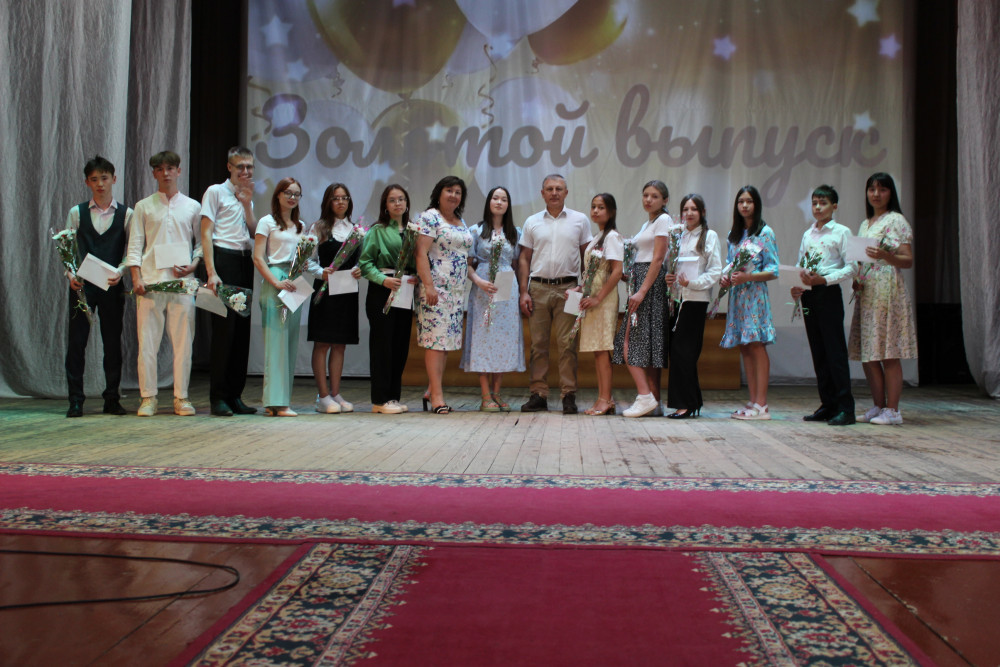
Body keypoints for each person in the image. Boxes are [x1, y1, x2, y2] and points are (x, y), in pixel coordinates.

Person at [126, 151, 202, 417]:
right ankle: (148, 397)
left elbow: (201, 244)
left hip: (182, 284)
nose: (166, 173)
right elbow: (135, 244)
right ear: (154, 173)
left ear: (179, 171)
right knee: (147, 343)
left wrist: (194, 264)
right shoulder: (143, 206)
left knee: (184, 343)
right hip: (150, 283)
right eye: (160, 169)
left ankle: (181, 397)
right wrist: (136, 277)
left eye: (170, 168)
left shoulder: (192, 206)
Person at [63, 156, 132, 418]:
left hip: (111, 286)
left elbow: (132, 250)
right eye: (94, 179)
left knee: (112, 343)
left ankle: (112, 398)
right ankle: (75, 400)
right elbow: (68, 249)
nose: (100, 184)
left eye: (104, 178)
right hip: (82, 286)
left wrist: (121, 271)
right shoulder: (76, 212)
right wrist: (70, 274)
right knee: (77, 343)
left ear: (114, 179)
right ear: (87, 182)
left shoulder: (126, 214)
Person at [518, 174, 592, 414]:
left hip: (569, 289)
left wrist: (584, 287)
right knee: (538, 345)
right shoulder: (532, 222)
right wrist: (523, 291)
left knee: (567, 344)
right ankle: (538, 394)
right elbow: (524, 258)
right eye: (549, 189)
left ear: (566, 192)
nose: (554, 193)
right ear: (542, 193)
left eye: (559, 188)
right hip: (537, 288)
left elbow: (587, 257)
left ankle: (568, 394)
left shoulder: (580, 220)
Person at [848, 172, 917, 425]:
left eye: (882, 189)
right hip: (868, 291)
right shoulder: (865, 223)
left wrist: (886, 256)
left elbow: (907, 260)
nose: (876, 194)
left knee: (888, 351)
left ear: (891, 193)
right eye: (872, 189)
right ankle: (878, 406)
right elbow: (861, 258)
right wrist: (857, 277)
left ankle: (893, 410)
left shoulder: (896, 220)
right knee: (869, 352)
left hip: (888, 290)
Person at [791, 185, 857, 426]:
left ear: (834, 206)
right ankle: (828, 404)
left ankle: (846, 408)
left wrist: (824, 279)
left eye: (823, 203)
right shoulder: (808, 234)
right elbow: (801, 263)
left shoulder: (842, 232)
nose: (818, 207)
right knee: (818, 351)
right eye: (815, 203)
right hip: (809, 294)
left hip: (828, 292)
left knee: (834, 351)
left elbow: (852, 267)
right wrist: (796, 284)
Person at [201, 146, 257, 417]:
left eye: (249, 167)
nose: (245, 171)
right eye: (240, 166)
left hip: (245, 261)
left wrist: (247, 204)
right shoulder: (215, 191)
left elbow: (254, 232)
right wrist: (211, 271)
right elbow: (206, 233)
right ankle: (218, 397)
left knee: (241, 334)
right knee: (224, 332)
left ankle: (235, 395)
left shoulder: (247, 196)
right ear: (229, 167)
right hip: (223, 260)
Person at [253, 177, 314, 417]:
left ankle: (279, 402)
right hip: (276, 279)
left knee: (290, 342)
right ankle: (275, 402)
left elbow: (302, 258)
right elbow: (258, 257)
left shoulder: (301, 225)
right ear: (278, 194)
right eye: (287, 192)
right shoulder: (266, 222)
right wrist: (275, 281)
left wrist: (312, 268)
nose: (292, 197)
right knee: (276, 342)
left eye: (296, 194)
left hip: (295, 281)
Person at [461, 186, 525, 412]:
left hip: (507, 284)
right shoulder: (476, 230)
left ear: (508, 204)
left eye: (504, 199)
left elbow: (517, 264)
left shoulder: (515, 233)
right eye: (495, 198)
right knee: (483, 337)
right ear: (488, 202)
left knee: (503, 338)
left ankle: (497, 393)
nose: (499, 202)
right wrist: (479, 281)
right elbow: (467, 264)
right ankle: (485, 395)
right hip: (482, 286)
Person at [613, 180, 672, 418]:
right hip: (641, 280)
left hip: (649, 285)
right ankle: (652, 399)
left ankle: (645, 395)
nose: (648, 199)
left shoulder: (664, 220)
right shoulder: (648, 223)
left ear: (665, 200)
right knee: (644, 342)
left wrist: (642, 291)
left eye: (654, 196)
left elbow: (657, 259)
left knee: (629, 341)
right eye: (645, 195)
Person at [719, 185, 779, 420]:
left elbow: (773, 270)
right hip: (738, 296)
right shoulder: (733, 235)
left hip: (754, 295)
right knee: (745, 346)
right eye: (741, 201)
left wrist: (749, 277)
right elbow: (730, 263)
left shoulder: (765, 232)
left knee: (756, 345)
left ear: (757, 205)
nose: (744, 205)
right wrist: (725, 277)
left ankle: (762, 405)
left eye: (749, 201)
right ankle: (753, 402)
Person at [415, 175, 474, 414]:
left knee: (446, 343)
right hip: (436, 290)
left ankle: (432, 389)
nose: (453, 195)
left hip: (456, 292)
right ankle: (437, 397)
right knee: (435, 342)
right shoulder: (430, 217)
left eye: (458, 192)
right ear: (439, 193)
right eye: (449, 190)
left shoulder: (460, 220)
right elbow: (420, 252)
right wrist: (428, 286)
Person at [358, 184, 416, 414]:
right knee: (382, 345)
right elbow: (365, 264)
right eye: (392, 200)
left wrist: (416, 276)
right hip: (382, 290)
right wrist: (384, 280)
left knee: (400, 345)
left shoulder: (413, 231)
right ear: (385, 205)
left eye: (401, 199)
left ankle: (393, 397)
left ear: (407, 203)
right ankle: (380, 400)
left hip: (405, 291)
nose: (397, 203)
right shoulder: (377, 230)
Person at [663, 194, 722, 418]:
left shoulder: (709, 236)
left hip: (695, 300)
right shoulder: (678, 236)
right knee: (677, 351)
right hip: (677, 299)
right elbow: (672, 267)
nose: (689, 213)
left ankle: (687, 404)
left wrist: (692, 283)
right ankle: (691, 401)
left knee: (684, 352)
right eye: (685, 209)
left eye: (694, 209)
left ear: (702, 212)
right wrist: (670, 278)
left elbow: (715, 271)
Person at [308, 183, 362, 414]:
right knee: (322, 343)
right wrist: (321, 272)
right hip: (324, 291)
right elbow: (307, 260)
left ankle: (336, 393)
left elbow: (362, 260)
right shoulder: (318, 228)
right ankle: (322, 396)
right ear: (328, 202)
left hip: (346, 292)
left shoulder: (356, 230)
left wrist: (360, 269)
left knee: (340, 344)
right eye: (336, 198)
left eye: (344, 198)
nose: (341, 202)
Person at [578, 193, 624, 416]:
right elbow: (592, 272)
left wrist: (598, 297)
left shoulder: (612, 237)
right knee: (598, 350)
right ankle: (604, 398)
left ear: (611, 212)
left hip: (603, 300)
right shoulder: (598, 237)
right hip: (592, 297)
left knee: (603, 349)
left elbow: (617, 272)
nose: (596, 211)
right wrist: (581, 289)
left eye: (601, 207)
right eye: (593, 206)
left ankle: (605, 399)